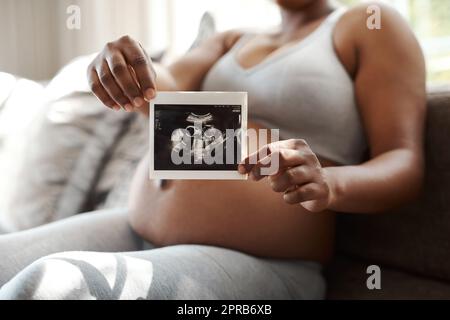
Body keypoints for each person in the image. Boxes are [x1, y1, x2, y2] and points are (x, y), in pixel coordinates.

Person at [0, 0, 425, 299]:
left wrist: (330, 183)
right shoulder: (231, 39)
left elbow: (403, 159)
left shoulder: (369, 23)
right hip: (134, 227)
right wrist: (128, 65)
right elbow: (163, 83)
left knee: (58, 286)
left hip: (265, 262)